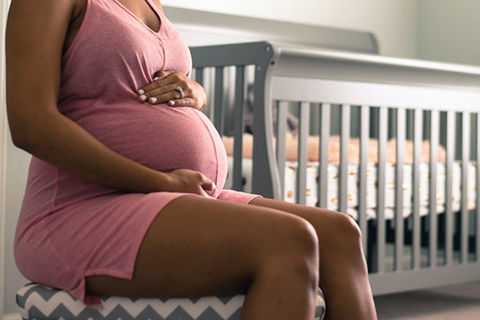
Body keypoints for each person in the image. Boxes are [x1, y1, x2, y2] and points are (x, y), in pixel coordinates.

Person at [5, 0, 377, 318]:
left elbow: (131, 86)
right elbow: (31, 126)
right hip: (80, 207)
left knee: (339, 234)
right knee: (288, 240)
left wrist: (194, 91)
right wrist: (162, 182)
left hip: (168, 197)